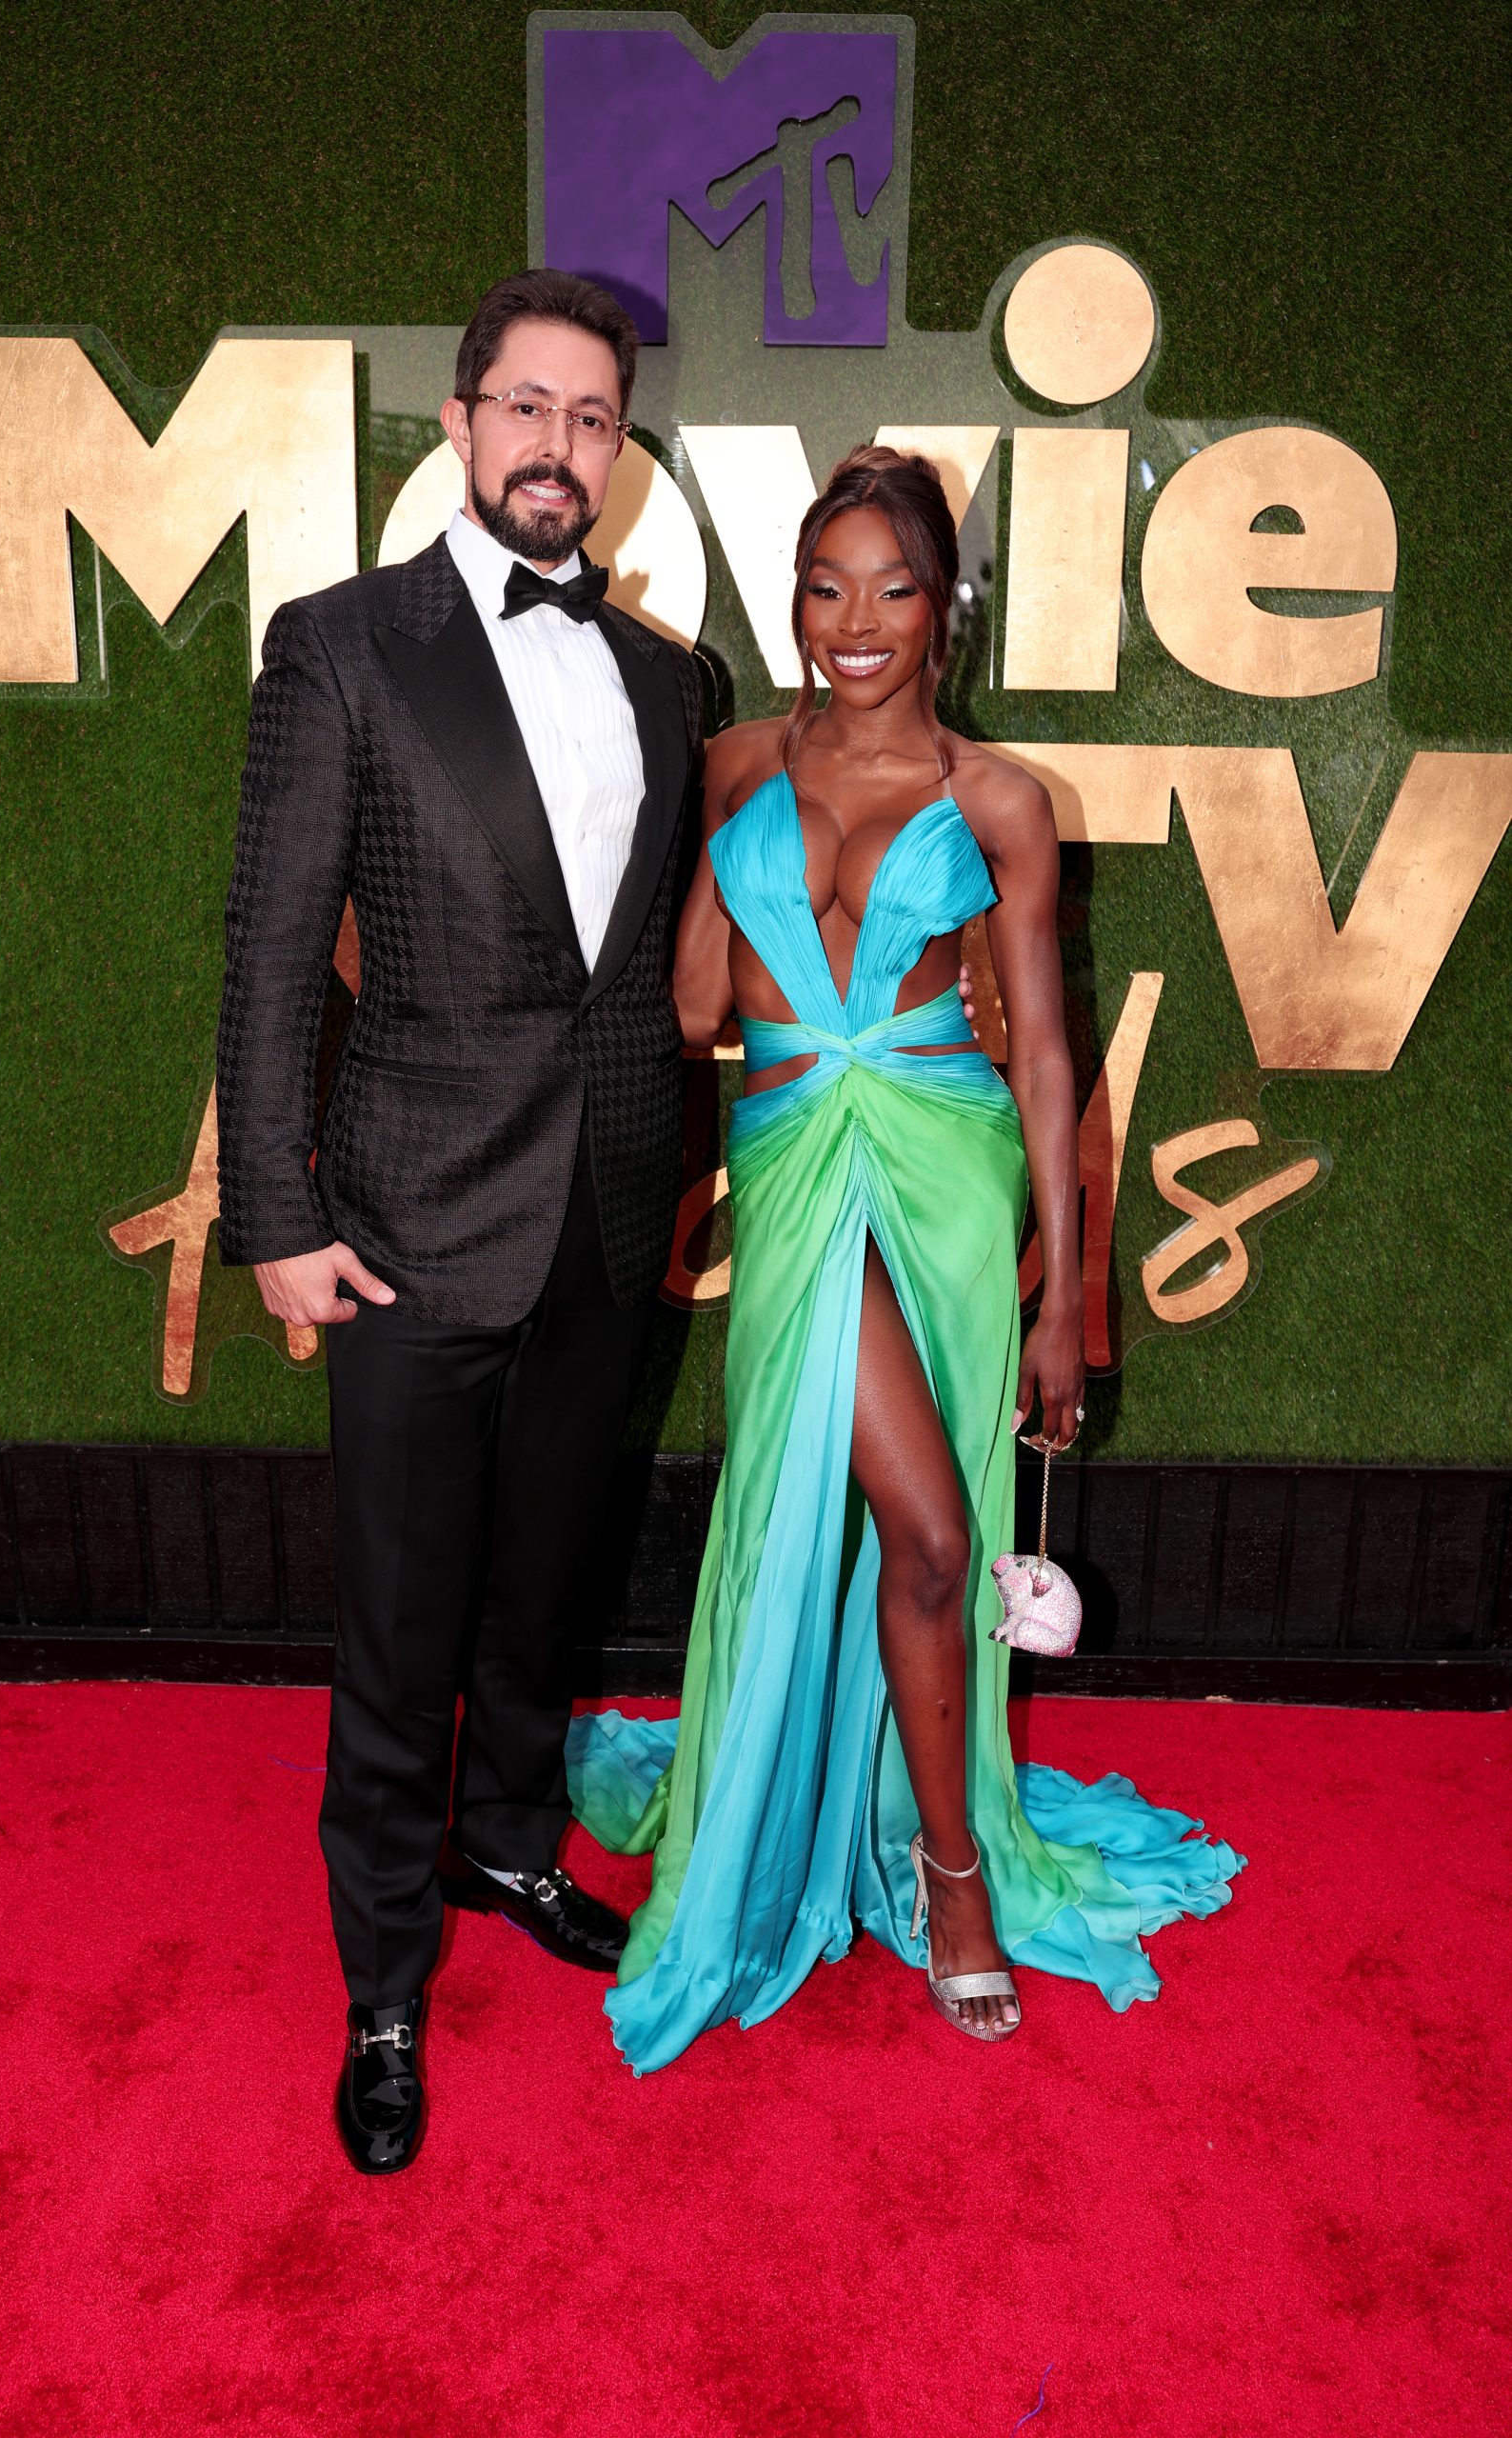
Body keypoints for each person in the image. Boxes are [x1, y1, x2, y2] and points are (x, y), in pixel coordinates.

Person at [567, 447, 1243, 2075]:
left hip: (945, 1173)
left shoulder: (997, 796)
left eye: (895, 589)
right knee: (926, 1529)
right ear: (791, 594)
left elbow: (1049, 1062)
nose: (855, 622)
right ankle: (935, 1873)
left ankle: (952, 1870)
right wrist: (710, 915)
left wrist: (1066, 1298)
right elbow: (692, 1014)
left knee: (933, 1539)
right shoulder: (730, 764)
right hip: (799, 1159)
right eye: (825, 584)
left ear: (948, 609)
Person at [215, 270, 706, 2174]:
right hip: (407, 1214)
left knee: (546, 1581)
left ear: (619, 453)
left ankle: (510, 1835)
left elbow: (640, 966)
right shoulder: (340, 645)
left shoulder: (671, 678)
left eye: (592, 419)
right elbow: (269, 949)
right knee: (398, 1613)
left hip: (602, 1213)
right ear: (459, 421)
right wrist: (275, 1203)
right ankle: (384, 1978)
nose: (557, 448)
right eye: (526, 408)